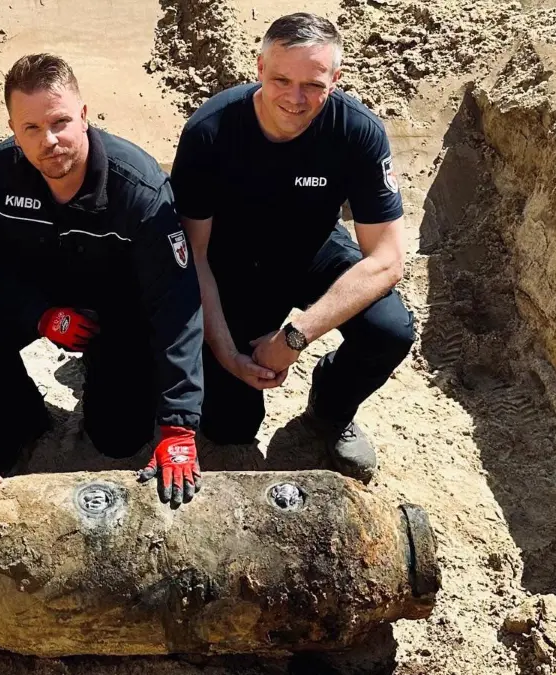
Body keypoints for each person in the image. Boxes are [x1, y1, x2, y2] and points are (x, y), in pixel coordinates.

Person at [170, 13, 414, 482]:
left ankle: (330, 409)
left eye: (313, 84)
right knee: (231, 427)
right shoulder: (211, 132)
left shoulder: (357, 132)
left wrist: (295, 336)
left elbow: (387, 260)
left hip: (311, 246)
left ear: (335, 80)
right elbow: (192, 255)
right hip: (231, 262)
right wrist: (224, 351)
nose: (295, 98)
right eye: (281, 78)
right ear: (259, 67)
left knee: (389, 329)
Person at [0, 53, 205, 505]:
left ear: (84, 115)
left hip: (118, 311)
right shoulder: (1, 170)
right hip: (44, 299)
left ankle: (100, 370)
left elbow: (176, 304)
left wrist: (178, 427)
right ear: (13, 129)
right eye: (30, 128)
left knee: (118, 440)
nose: (48, 140)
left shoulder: (140, 189)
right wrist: (41, 315)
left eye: (60, 122)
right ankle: (20, 427)